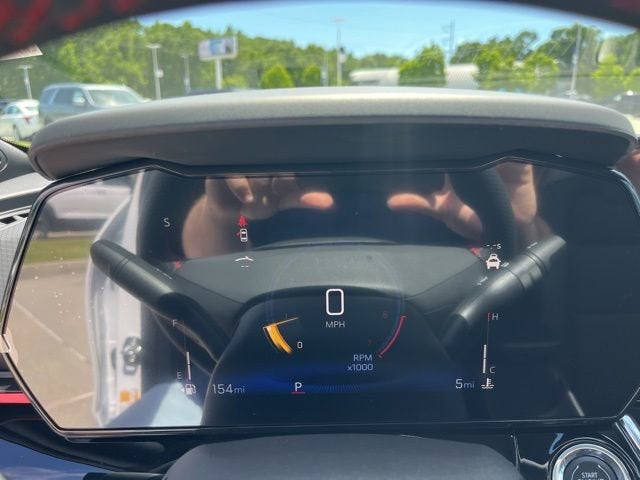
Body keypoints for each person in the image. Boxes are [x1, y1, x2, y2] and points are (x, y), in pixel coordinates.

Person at [182, 162, 548, 258]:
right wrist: (220, 215)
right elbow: (199, 262)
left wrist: (512, 226)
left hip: (453, 357)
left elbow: (540, 283)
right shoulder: (257, 191)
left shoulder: (466, 192)